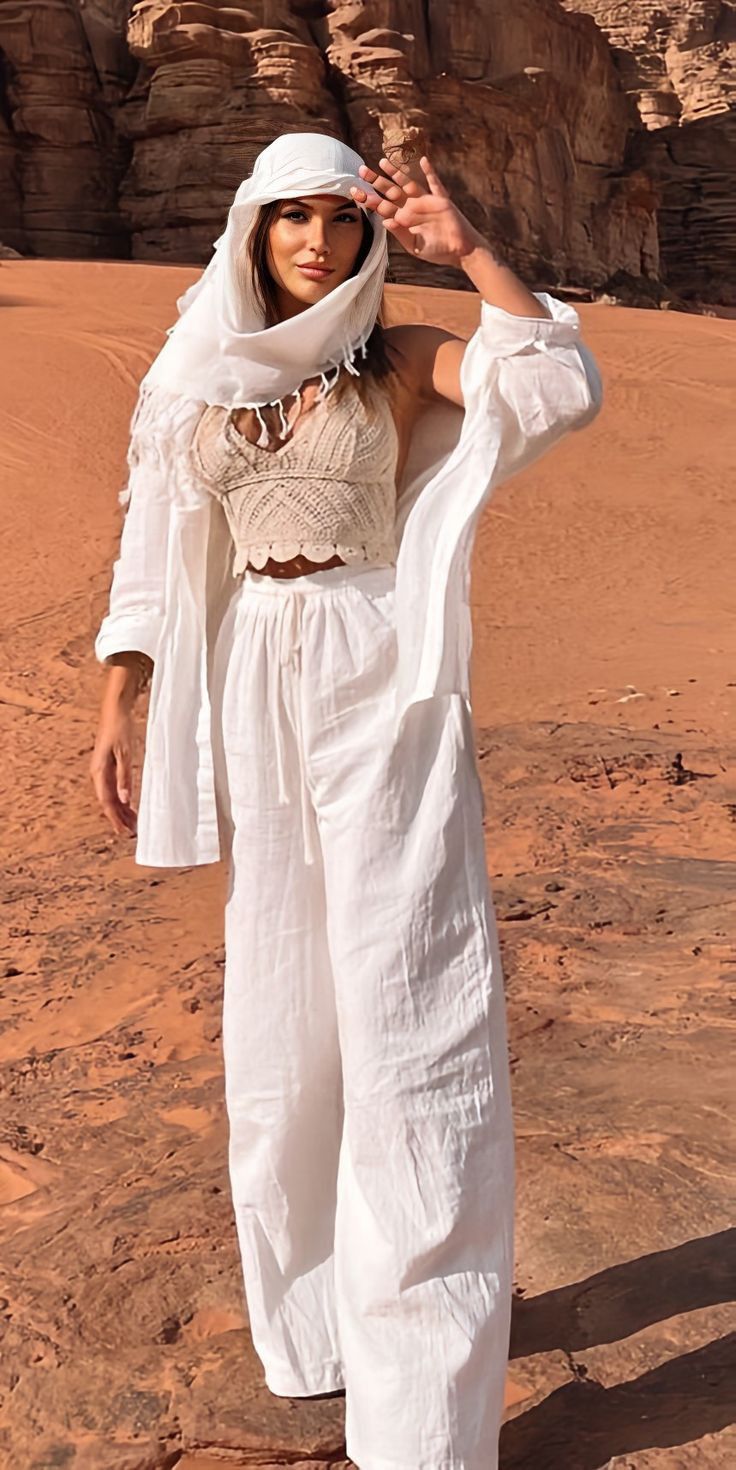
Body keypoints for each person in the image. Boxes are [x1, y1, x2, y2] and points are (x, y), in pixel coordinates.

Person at [90, 132, 601, 1470]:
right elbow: (156, 539)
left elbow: (550, 386)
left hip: (380, 673)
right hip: (250, 678)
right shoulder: (195, 373)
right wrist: (121, 697)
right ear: (253, 232)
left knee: (406, 1001)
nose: (319, 241)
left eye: (341, 219)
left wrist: (476, 247)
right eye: (292, 218)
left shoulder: (394, 351)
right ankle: (314, 1325)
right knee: (281, 1000)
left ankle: (425, 1413)